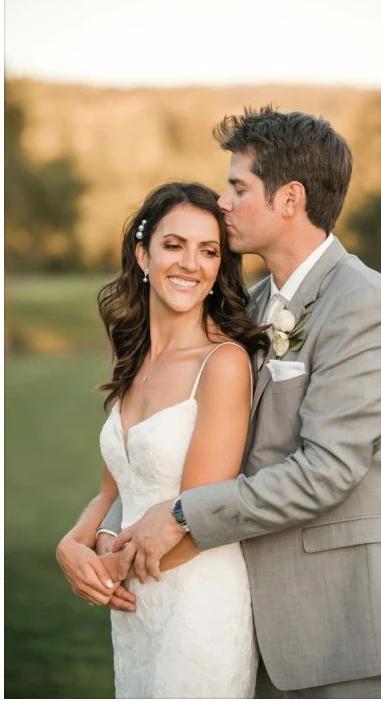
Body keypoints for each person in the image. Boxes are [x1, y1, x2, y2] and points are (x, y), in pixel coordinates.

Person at [64, 107, 381, 698]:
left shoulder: (362, 302)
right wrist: (97, 537)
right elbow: (180, 446)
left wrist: (174, 519)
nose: (223, 202)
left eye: (238, 187)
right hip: (263, 622)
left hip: (355, 625)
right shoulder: (248, 307)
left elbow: (326, 472)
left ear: (290, 199)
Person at [56, 181, 269, 698]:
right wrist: (70, 545)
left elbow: (196, 516)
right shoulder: (132, 359)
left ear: (220, 268)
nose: (190, 264)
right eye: (174, 245)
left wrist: (104, 572)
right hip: (135, 610)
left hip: (197, 604)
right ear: (143, 255)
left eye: (208, 250)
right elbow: (113, 491)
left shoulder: (223, 364)